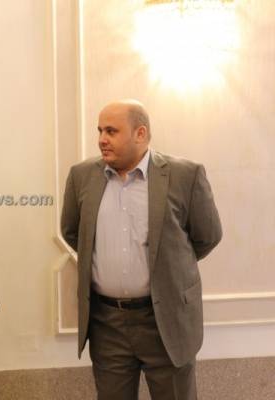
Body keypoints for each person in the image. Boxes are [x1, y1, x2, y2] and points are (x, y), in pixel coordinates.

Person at [61, 99, 222, 399]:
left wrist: (167, 267)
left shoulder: (185, 175)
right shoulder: (81, 176)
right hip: (107, 325)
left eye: (111, 131)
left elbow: (207, 237)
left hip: (166, 321)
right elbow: (72, 233)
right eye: (99, 131)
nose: (102, 139)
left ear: (140, 133)